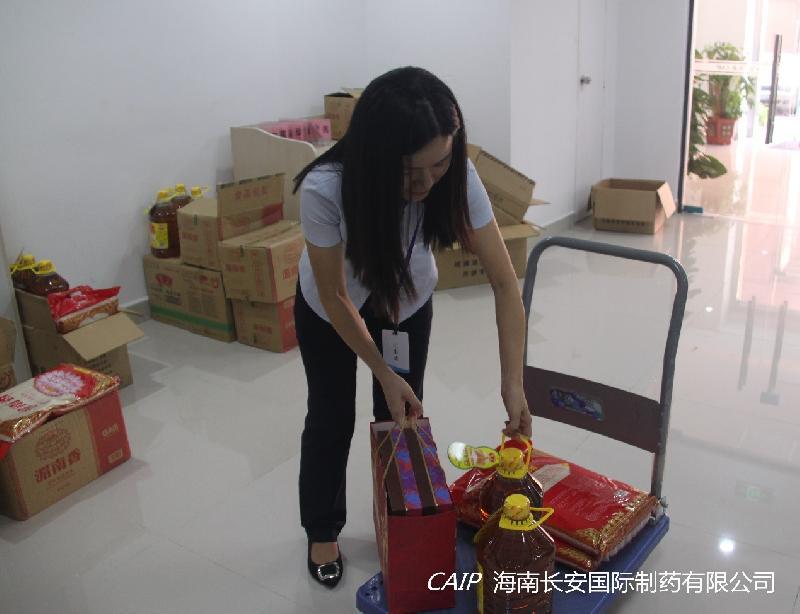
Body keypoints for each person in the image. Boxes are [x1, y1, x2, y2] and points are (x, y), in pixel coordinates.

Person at [293, 66, 532, 588]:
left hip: (404, 302)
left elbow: (504, 283)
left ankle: (397, 524)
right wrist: (381, 370)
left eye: (439, 163)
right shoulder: (326, 188)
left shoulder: (458, 175)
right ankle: (322, 529)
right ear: (374, 157)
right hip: (332, 308)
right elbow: (336, 296)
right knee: (332, 416)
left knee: (401, 416)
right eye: (408, 172)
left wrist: (513, 384)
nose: (426, 184)